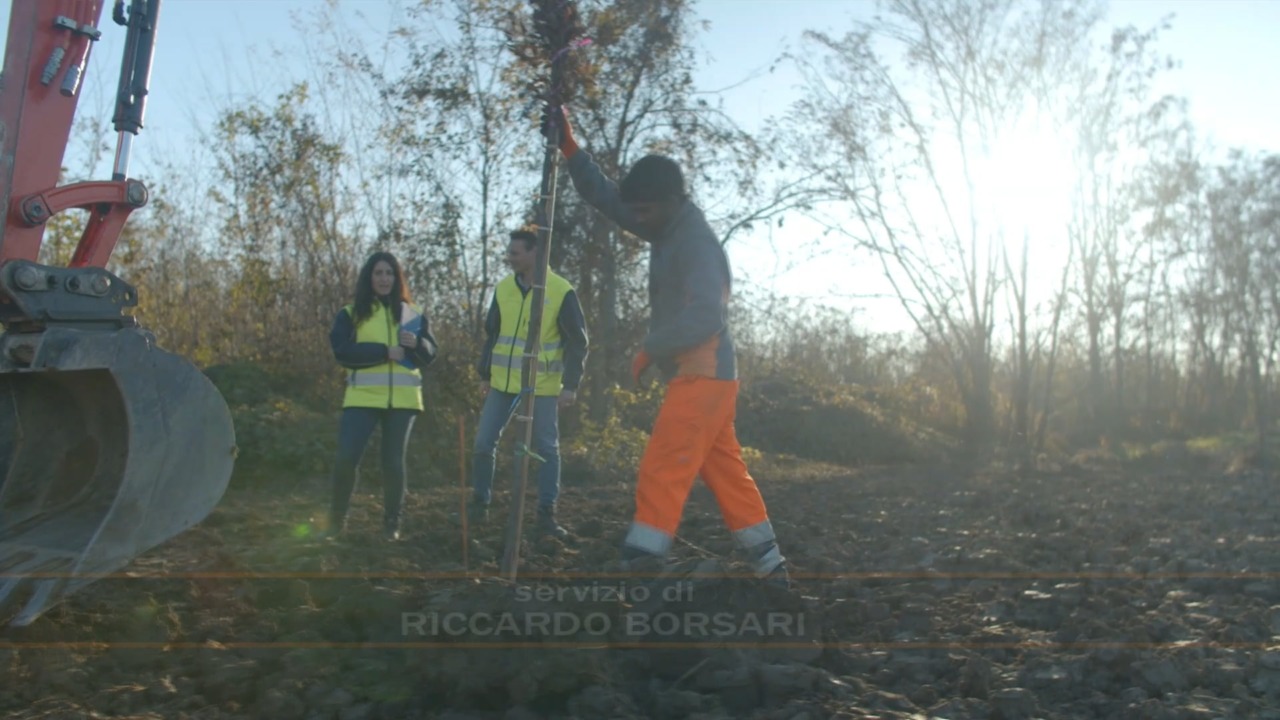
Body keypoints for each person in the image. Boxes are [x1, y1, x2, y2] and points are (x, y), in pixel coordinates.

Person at [543, 106, 790, 586]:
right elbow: (611, 200)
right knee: (725, 473)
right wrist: (570, 149)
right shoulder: (664, 224)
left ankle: (642, 558)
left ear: (673, 201)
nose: (636, 219)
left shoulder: (695, 243)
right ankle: (770, 564)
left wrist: (651, 347)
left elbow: (706, 316)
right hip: (707, 377)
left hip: (703, 373)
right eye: (636, 211)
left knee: (664, 462)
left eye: (645, 211)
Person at [468, 228, 589, 539]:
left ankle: (546, 514)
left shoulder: (561, 291)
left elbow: (578, 342)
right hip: (502, 383)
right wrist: (485, 374)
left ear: (535, 253)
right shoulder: (503, 289)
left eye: (515, 253)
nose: (509, 258)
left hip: (543, 385)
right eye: (509, 253)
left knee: (547, 448)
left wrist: (570, 385)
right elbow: (492, 334)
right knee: (483, 443)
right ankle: (479, 505)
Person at [325, 251, 438, 541]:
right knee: (346, 459)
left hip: (403, 401)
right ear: (369, 278)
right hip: (362, 398)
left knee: (392, 462)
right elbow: (341, 351)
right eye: (378, 273)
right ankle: (336, 523)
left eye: (389, 273)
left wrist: (417, 344)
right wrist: (383, 352)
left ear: (396, 278)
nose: (384, 279)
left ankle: (392, 525)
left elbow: (430, 354)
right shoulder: (351, 313)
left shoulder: (411, 314)